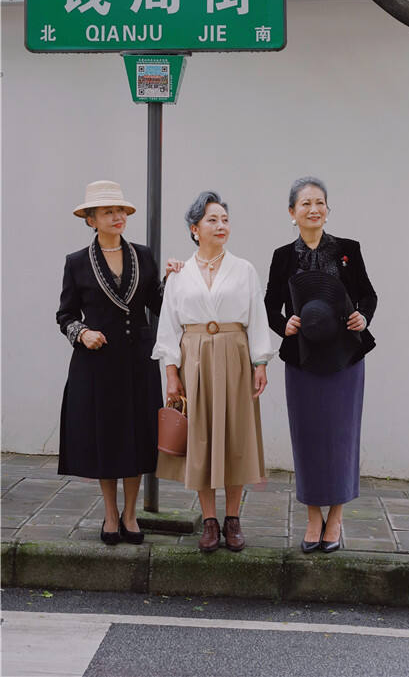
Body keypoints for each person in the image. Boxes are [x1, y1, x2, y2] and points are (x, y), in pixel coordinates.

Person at [57, 180, 178, 546]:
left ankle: (130, 514)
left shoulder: (143, 255)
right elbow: (65, 315)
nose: (117, 216)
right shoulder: (76, 262)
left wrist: (175, 280)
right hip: (98, 363)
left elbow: (158, 302)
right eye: (108, 211)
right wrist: (82, 333)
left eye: (121, 210)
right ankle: (111, 514)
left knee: (137, 437)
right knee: (106, 437)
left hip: (138, 360)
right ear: (91, 219)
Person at [152, 190, 273, 554]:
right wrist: (171, 372)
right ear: (195, 229)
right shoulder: (179, 274)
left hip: (235, 357)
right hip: (194, 359)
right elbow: (168, 326)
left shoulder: (244, 269)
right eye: (212, 220)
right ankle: (209, 520)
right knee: (200, 438)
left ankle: (232, 519)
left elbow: (257, 317)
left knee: (235, 436)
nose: (221, 226)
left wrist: (261, 362)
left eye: (225, 219)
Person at [265, 177, 378, 553]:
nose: (314, 209)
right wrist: (284, 325)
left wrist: (363, 316)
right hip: (302, 359)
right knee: (308, 437)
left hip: (346, 358)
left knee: (342, 437)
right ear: (292, 212)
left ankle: (337, 518)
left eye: (320, 203)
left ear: (328, 209)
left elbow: (368, 295)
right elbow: (270, 305)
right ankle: (314, 517)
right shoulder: (283, 256)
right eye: (306, 203)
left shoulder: (348, 250)